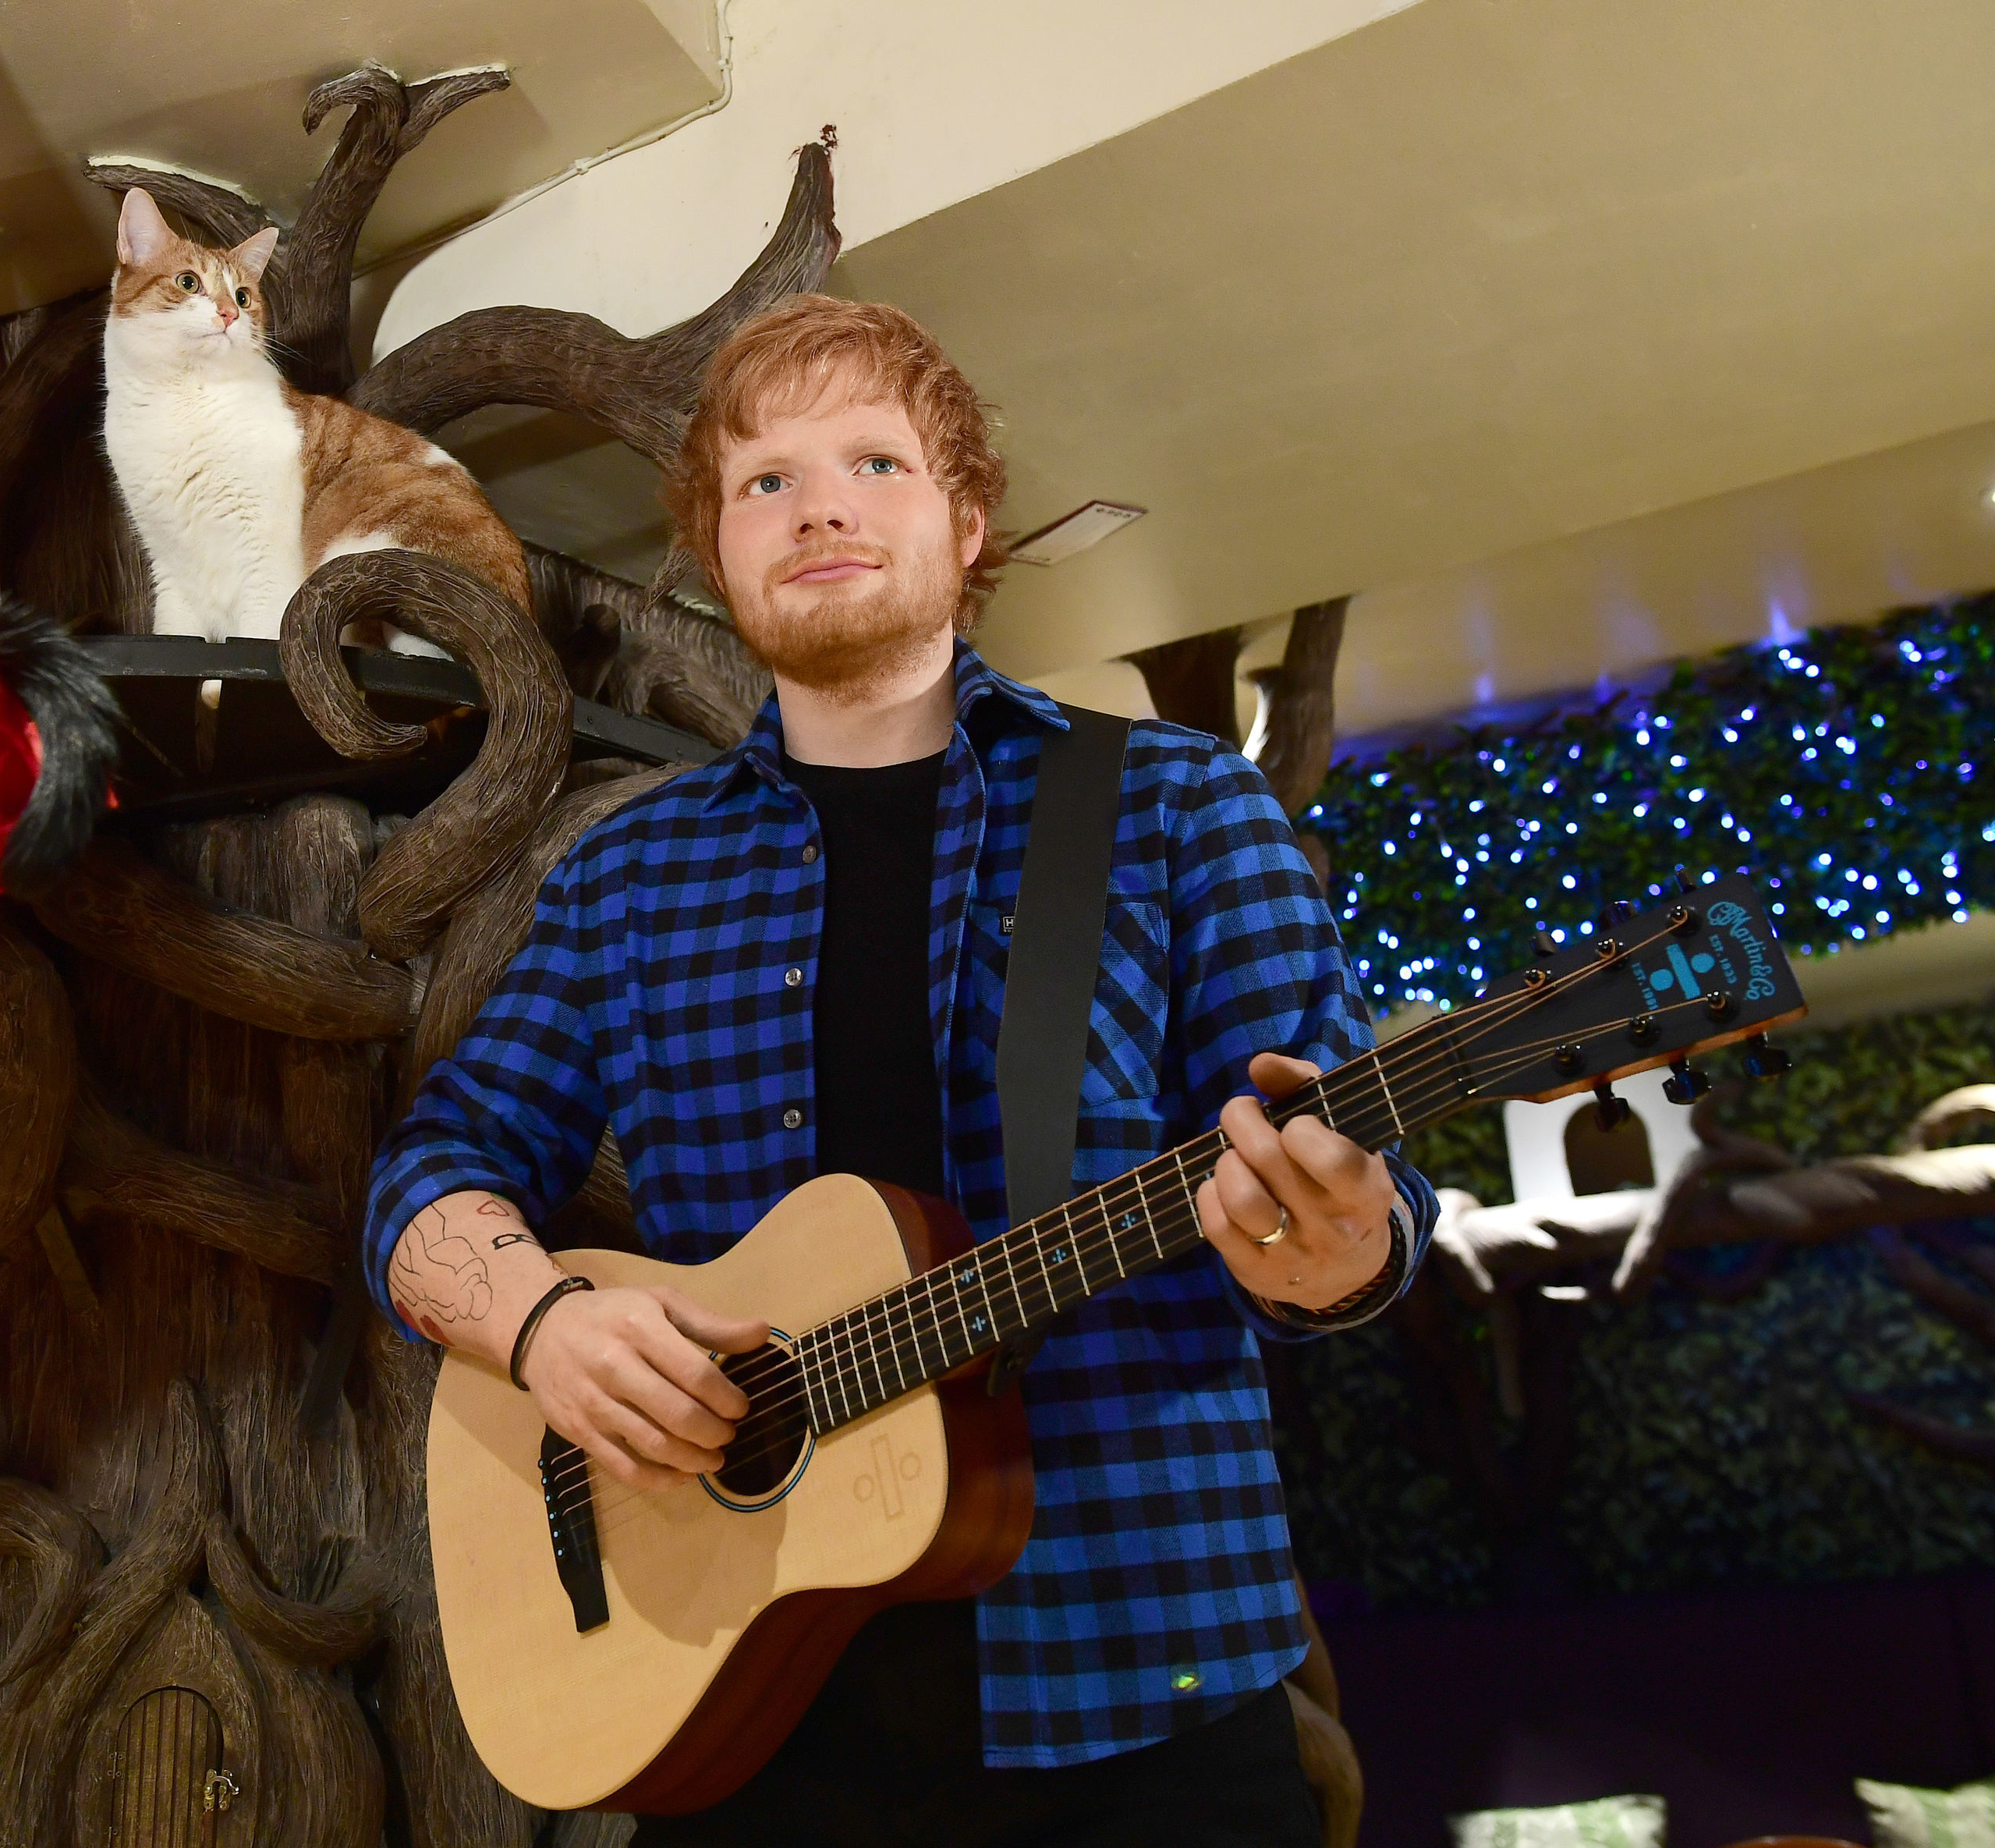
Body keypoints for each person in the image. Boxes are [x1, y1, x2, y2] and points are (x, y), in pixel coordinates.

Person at [363, 293, 1438, 1846]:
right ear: (718, 548)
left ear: (967, 516)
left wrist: (1339, 1243)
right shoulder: (627, 876)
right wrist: (541, 1326)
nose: (819, 508)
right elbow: (432, 1164)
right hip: (740, 1721)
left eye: (873, 460)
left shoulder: (1173, 805)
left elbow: (1359, 1198)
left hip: (1139, 1695)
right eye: (765, 481)